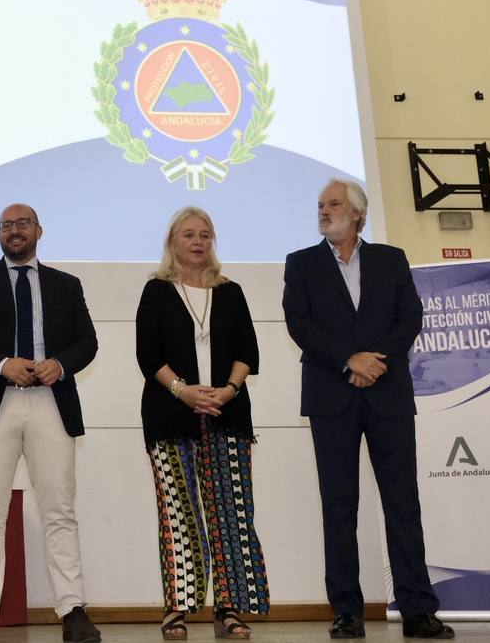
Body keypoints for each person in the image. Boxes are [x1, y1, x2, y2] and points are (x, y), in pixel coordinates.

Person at [282, 180, 453, 640]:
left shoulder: (390, 259)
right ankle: (347, 612)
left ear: (357, 212)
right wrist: (348, 361)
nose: (324, 211)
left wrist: (374, 363)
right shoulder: (300, 263)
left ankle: (418, 610)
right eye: (320, 205)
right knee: (339, 507)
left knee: (402, 503)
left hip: (387, 393)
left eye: (333, 204)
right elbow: (299, 323)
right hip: (330, 397)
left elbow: (409, 318)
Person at [0, 204, 101, 643]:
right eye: (7, 225)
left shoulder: (66, 285)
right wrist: (0, 364)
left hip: (51, 403)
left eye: (23, 224)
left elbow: (87, 341)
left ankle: (72, 610)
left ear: (39, 231)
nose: (15, 231)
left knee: (59, 511)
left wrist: (60, 364)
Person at [136, 207, 269, 640]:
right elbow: (148, 354)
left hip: (228, 413)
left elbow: (248, 350)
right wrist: (184, 391)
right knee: (180, 515)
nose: (197, 241)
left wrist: (227, 391)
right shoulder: (155, 291)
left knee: (231, 514)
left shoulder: (231, 291)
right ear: (173, 241)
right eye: (189, 234)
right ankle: (178, 608)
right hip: (171, 415)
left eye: (205, 234)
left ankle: (228, 608)